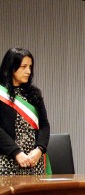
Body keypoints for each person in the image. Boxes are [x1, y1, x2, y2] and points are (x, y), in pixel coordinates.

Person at [0, 47, 50, 175]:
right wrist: (16, 152)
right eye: (23, 66)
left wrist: (39, 149)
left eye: (30, 67)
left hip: (34, 161)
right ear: (11, 67)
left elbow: (44, 125)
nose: (28, 71)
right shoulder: (1, 93)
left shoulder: (34, 94)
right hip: (7, 160)